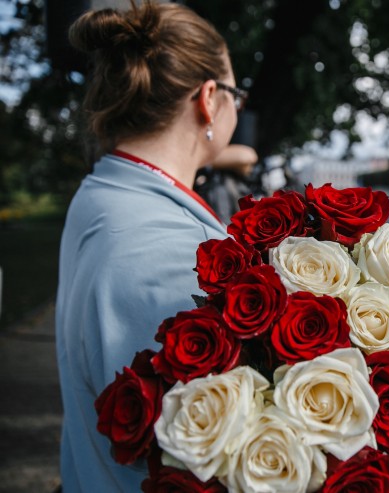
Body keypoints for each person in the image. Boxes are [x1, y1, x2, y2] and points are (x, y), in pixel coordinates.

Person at [55, 2, 245, 490]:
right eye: (234, 93)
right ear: (209, 99)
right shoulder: (172, 250)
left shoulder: (104, 191)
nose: (236, 108)